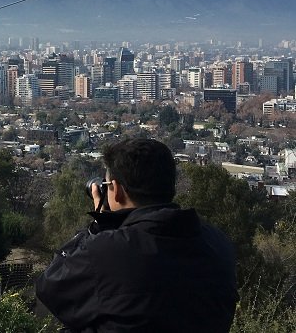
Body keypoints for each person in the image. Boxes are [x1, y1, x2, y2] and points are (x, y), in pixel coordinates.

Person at [36, 138, 237, 332]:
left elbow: (50, 287)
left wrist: (98, 226)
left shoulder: (108, 252)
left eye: (107, 186)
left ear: (117, 192)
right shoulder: (219, 244)